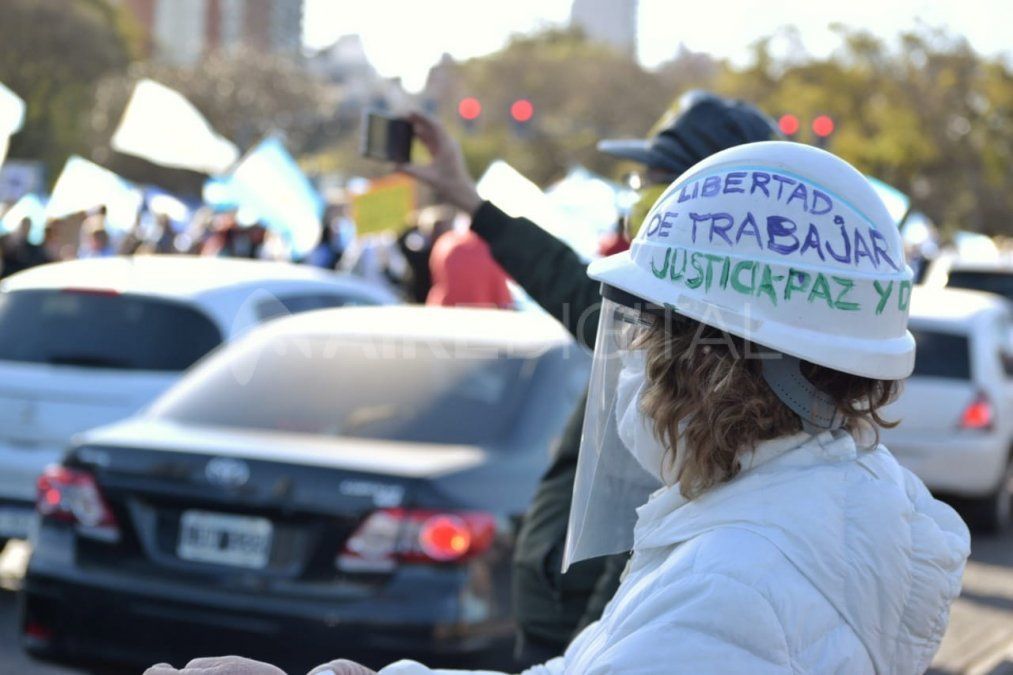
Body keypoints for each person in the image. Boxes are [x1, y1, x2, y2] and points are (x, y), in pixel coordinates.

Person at [151, 141, 970, 675]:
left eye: (648, 336)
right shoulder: (819, 509)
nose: (628, 363)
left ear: (718, 371)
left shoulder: (739, 583)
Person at [402, 91, 784, 665]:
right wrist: (470, 200)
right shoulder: (663, 319)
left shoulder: (711, 358)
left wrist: (586, 648)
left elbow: (649, 535)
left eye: (653, 180)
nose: (636, 199)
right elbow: (567, 281)